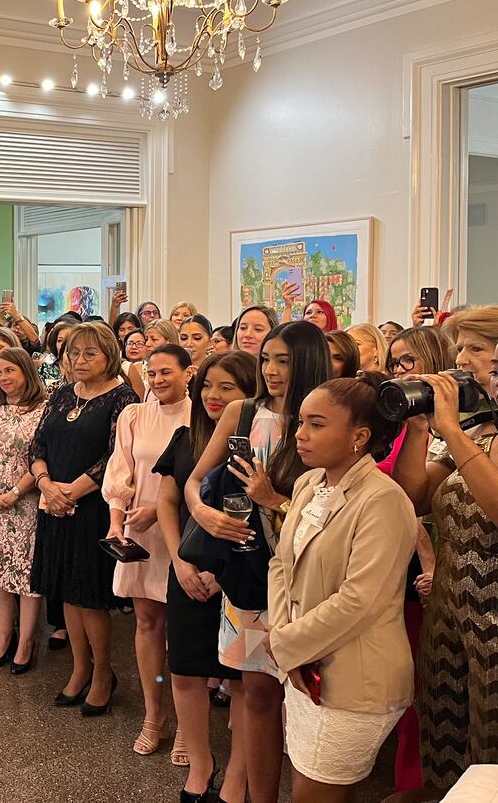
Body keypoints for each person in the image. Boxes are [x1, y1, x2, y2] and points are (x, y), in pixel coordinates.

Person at [183, 319, 330, 803]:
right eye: (266, 358)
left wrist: (271, 499)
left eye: (283, 361)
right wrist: (204, 513)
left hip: (309, 580)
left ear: (308, 361)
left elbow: (335, 510)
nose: (270, 369)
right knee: (257, 693)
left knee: (310, 700)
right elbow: (195, 480)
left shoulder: (327, 417)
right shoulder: (243, 413)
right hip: (248, 573)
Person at [268, 375, 415, 801]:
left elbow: (360, 600)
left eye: (316, 424)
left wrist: (287, 642)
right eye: (300, 423)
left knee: (313, 794)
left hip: (355, 676)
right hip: (304, 661)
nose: (300, 434)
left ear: (359, 436)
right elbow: (282, 565)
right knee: (311, 784)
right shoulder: (308, 484)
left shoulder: (382, 500)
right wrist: (286, 638)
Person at [393, 306, 498, 791]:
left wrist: (452, 431)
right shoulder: (474, 426)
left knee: (490, 740)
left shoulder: (466, 431)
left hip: (494, 612)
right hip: (452, 603)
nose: (461, 359)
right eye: (460, 347)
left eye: (475, 348)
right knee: (444, 724)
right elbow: (416, 496)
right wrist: (420, 430)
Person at [157, 351, 256, 803]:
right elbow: (168, 503)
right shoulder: (185, 438)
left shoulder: (263, 441)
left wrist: (222, 570)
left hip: (240, 577)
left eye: (227, 388)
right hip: (187, 570)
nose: (213, 396)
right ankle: (201, 764)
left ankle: (238, 774)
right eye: (208, 386)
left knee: (241, 678)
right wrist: (180, 560)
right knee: (184, 670)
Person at [29, 322, 138, 716]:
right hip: (54, 505)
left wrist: (70, 491)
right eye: (73, 353)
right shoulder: (61, 394)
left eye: (90, 353)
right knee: (66, 592)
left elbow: (116, 456)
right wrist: (45, 484)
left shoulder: (123, 398)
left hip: (92, 508)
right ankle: (79, 669)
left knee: (90, 598)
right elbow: (37, 443)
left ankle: (105, 673)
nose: (79, 360)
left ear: (109, 355)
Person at [103, 344, 193, 758]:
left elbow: (201, 478)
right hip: (138, 530)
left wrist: (160, 509)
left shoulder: (202, 415)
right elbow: (120, 469)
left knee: (182, 630)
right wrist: (116, 519)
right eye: (151, 373)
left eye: (166, 372)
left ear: (188, 372)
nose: (157, 380)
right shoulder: (135, 415)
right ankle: (154, 714)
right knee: (146, 622)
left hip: (182, 530)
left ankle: (189, 724)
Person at [378, 325, 451, 793]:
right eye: (395, 363)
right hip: (404, 562)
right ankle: (412, 783)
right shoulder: (404, 423)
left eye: (408, 361)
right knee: (415, 688)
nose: (400, 372)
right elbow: (409, 495)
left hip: (452, 563)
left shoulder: (465, 425)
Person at [0, 348, 47, 674]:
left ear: (26, 371)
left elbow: (45, 458)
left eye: (11, 371)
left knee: (25, 576)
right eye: (0, 372)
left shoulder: (42, 410)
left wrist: (15, 491)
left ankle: (26, 643)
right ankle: (3, 638)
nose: (4, 378)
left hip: (26, 503)